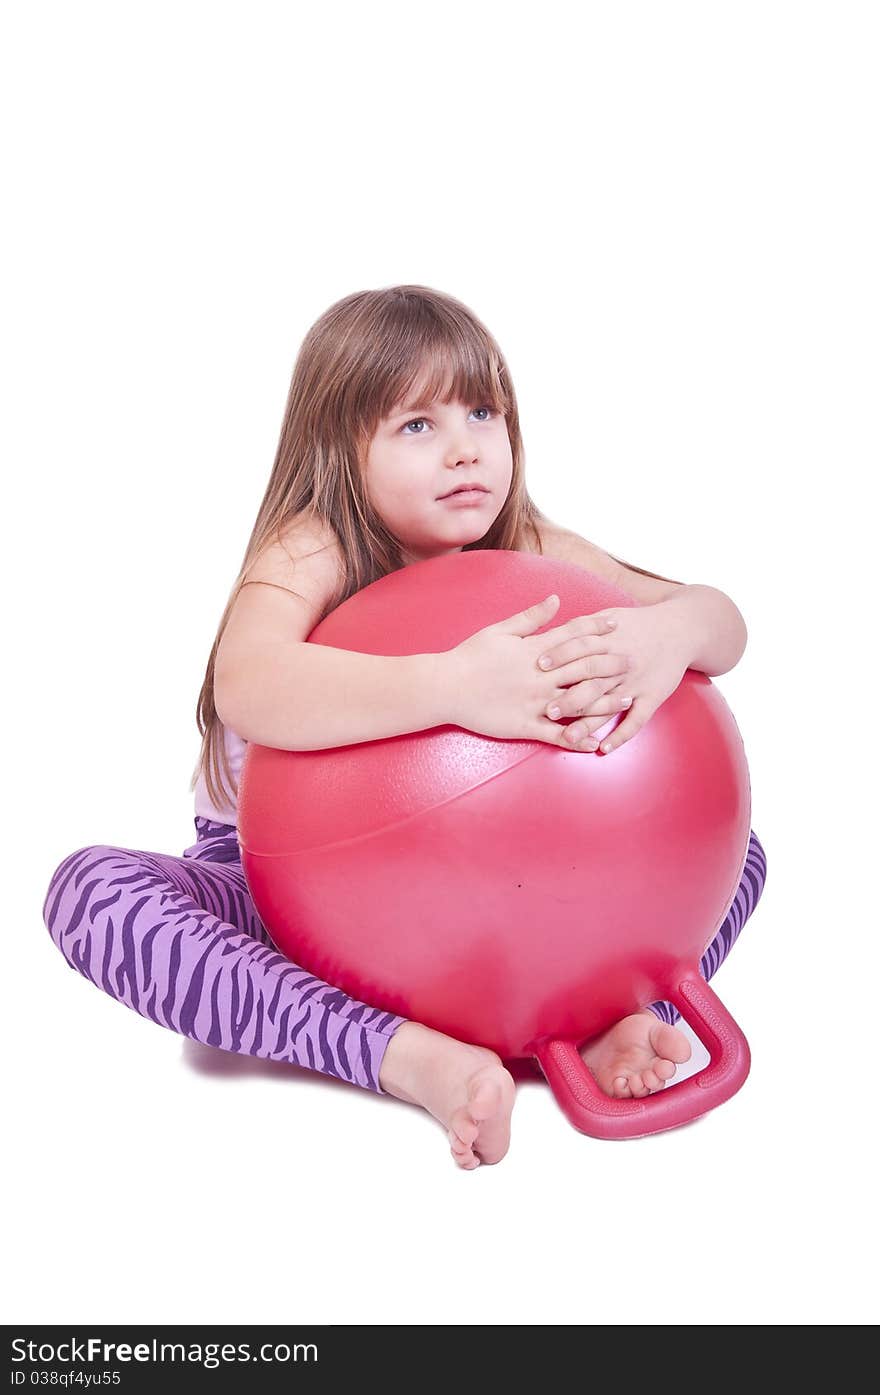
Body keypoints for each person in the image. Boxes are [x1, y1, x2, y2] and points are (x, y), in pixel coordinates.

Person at [43, 284, 767, 1170]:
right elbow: (248, 681)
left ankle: (618, 1015)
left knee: (739, 848)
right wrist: (450, 688)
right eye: (416, 425)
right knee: (92, 893)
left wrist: (670, 632)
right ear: (340, 451)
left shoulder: (529, 543)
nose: (465, 448)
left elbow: (720, 618)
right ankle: (400, 1051)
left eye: (482, 410)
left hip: (526, 895)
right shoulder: (317, 547)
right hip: (285, 899)